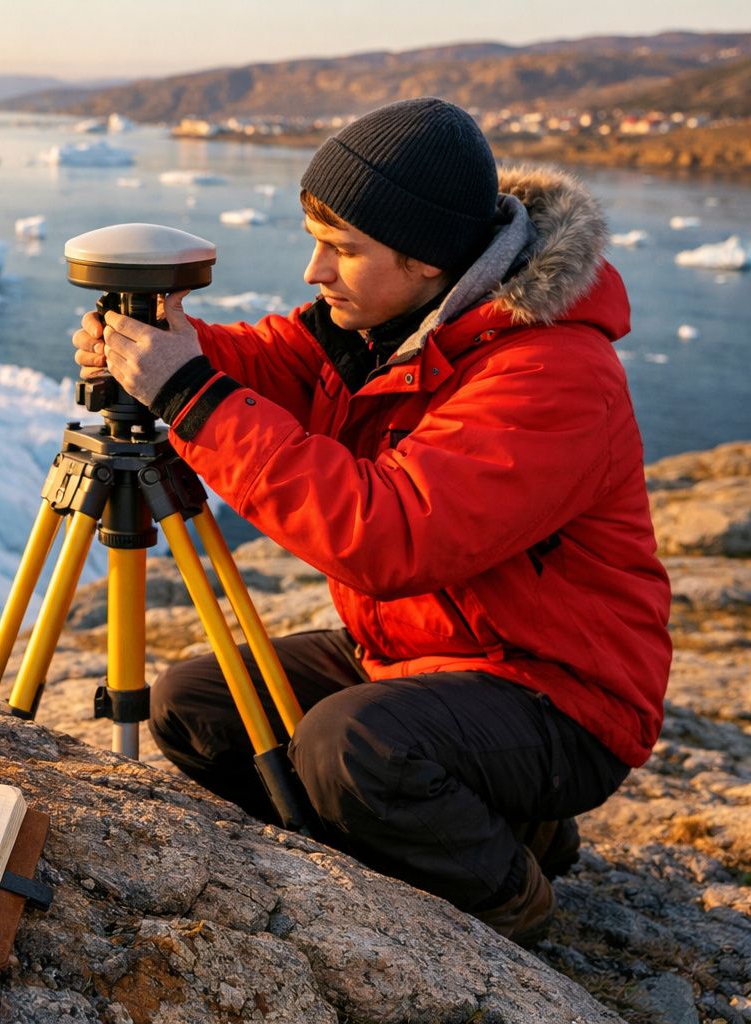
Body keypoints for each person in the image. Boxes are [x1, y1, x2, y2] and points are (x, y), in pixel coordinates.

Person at [71, 97, 671, 945]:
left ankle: (511, 897)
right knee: (193, 708)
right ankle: (479, 814)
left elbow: (391, 535)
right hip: (410, 655)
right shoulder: (399, 319)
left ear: (426, 259)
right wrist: (171, 345)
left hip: (554, 692)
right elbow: (278, 359)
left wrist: (189, 395)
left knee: (348, 748)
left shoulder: (553, 372)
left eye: (343, 249)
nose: (316, 270)